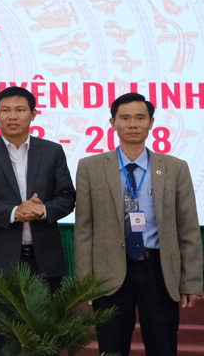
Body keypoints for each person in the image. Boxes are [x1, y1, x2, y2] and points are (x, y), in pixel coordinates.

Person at [75, 93, 203, 356]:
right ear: (113, 123)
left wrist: (191, 281)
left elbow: (188, 229)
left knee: (163, 346)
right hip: (109, 272)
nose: (133, 124)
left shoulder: (175, 168)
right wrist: (84, 283)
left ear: (151, 122)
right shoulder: (91, 167)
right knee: (111, 347)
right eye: (125, 118)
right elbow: (84, 229)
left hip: (158, 269)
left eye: (140, 117)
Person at [0, 86, 75, 291]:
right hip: (1, 262)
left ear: (33, 114)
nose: (12, 116)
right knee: (4, 323)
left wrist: (42, 210)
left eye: (20, 110)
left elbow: (67, 197)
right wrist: (15, 212)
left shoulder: (52, 152)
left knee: (46, 322)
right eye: (5, 110)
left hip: (46, 260)